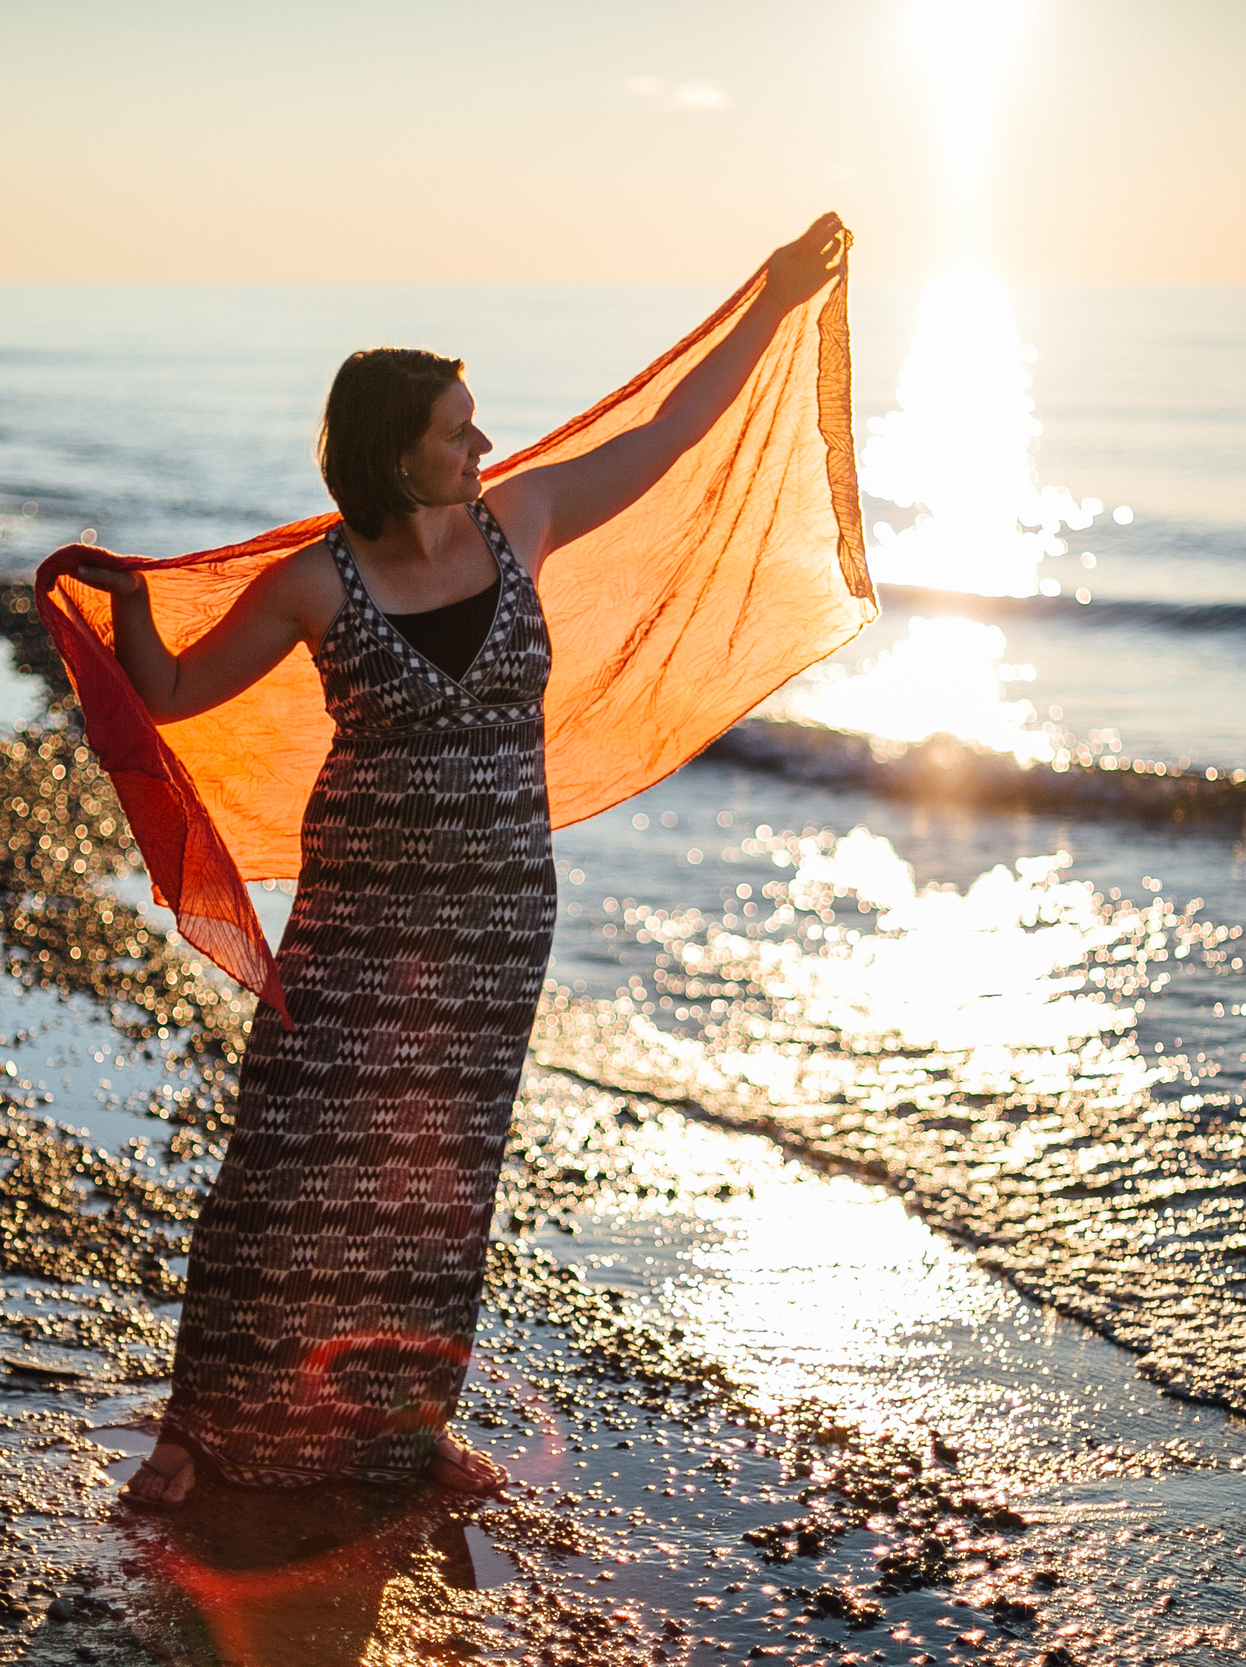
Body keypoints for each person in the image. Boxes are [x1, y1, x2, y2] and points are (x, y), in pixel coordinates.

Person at [68, 213, 850, 1507]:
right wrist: (135, 610)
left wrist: (770, 301)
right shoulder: (316, 580)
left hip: (495, 917)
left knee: (440, 1183)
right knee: (282, 1167)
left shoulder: (522, 518)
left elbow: (664, 438)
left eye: (477, 424)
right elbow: (176, 691)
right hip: (360, 920)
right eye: (458, 429)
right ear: (395, 454)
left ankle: (407, 1438)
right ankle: (194, 1436)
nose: (486, 443)